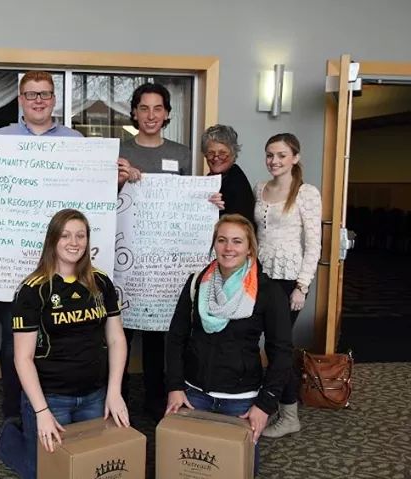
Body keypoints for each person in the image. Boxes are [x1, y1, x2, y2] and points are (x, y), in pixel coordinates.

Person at [0, 71, 138, 425]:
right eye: (30, 94)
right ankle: (16, 417)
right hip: (14, 266)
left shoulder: (76, 141)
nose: (38, 100)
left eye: (44, 94)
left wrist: (114, 182)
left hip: (66, 270)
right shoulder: (0, 141)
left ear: (54, 99)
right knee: (14, 347)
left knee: (71, 341)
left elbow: (91, 201)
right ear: (20, 100)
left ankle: (72, 409)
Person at [165, 214, 292, 473]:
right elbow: (175, 338)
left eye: (237, 241)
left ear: (249, 248)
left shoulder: (268, 292)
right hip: (194, 395)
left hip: (242, 402)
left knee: (236, 471)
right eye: (222, 240)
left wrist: (265, 405)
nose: (228, 248)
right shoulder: (197, 283)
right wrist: (175, 387)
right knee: (189, 470)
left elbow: (281, 353)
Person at [11, 208, 129, 479]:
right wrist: (41, 411)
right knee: (45, 472)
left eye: (80, 235)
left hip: (94, 395)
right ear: (52, 240)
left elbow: (116, 338)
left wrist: (114, 392)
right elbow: (22, 358)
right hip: (51, 399)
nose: (73, 242)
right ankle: (8, 438)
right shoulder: (32, 290)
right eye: (65, 235)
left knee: (91, 468)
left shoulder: (101, 283)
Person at [118, 83, 192, 420]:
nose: (150, 115)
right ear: (134, 112)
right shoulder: (118, 151)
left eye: (157, 108)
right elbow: (97, 201)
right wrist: (118, 180)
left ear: (167, 114)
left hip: (164, 264)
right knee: (119, 332)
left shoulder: (182, 154)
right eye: (143, 108)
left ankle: (153, 402)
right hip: (124, 261)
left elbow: (189, 203)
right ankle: (115, 401)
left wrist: (209, 202)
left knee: (158, 338)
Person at [255, 133, 322, 438]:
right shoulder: (260, 188)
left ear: (295, 157)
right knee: (262, 344)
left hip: (289, 279)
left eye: (281, 155)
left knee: (279, 347)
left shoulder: (307, 193)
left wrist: (302, 286)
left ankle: (289, 414)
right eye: (270, 155)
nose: (274, 161)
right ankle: (267, 405)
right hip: (260, 276)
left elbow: (314, 245)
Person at [202, 124, 255, 225]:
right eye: (211, 153)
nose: (216, 158)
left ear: (233, 155)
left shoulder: (237, 183)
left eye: (222, 153)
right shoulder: (211, 179)